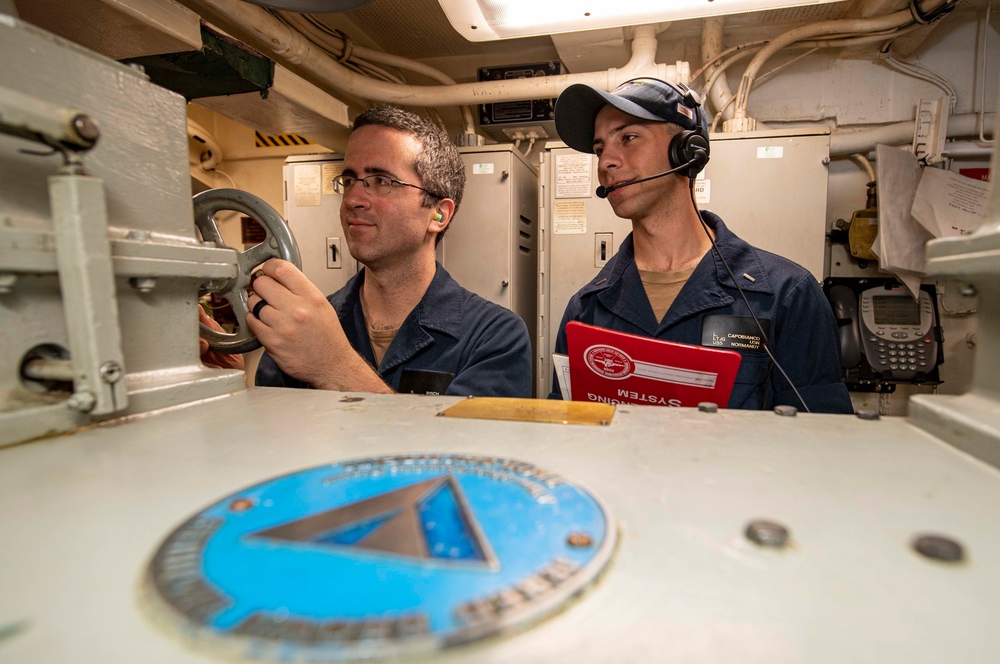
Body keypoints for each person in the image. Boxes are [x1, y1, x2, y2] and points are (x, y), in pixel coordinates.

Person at [549, 77, 853, 413]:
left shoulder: (787, 295)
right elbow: (568, 435)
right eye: (599, 148)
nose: (606, 161)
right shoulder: (586, 310)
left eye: (628, 138)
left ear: (687, 150)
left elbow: (820, 444)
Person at [203, 105, 532, 398]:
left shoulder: (495, 337)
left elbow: (466, 460)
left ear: (438, 214)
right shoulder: (304, 323)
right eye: (350, 181)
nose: (353, 200)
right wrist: (230, 393)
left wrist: (335, 367)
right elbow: (275, 446)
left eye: (381, 181)